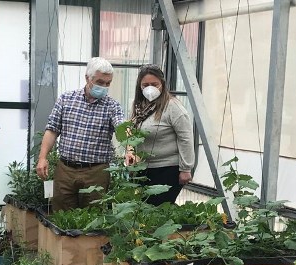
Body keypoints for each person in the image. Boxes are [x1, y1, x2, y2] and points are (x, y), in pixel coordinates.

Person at [35, 57, 124, 212]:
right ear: (87, 78)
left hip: (96, 172)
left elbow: (121, 127)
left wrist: (130, 146)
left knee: (93, 218)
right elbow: (52, 129)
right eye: (100, 82)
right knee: (61, 216)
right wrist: (42, 158)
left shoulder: (112, 106)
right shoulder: (66, 99)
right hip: (66, 169)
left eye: (107, 83)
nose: (104, 86)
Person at [125, 64, 194, 206]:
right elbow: (129, 130)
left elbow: (185, 138)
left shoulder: (173, 106)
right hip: (142, 169)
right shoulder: (137, 106)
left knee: (159, 207)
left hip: (168, 169)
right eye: (145, 85)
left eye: (154, 84)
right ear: (139, 86)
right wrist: (130, 152)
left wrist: (186, 169)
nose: (150, 88)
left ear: (162, 84)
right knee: (144, 209)